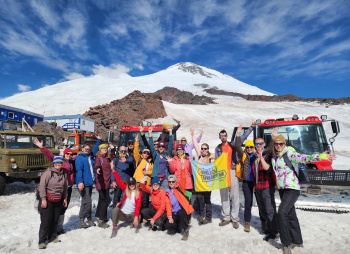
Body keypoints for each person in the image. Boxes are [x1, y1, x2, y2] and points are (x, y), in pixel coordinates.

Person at [272, 135, 336, 254]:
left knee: (281, 213)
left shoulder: (289, 153)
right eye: (276, 144)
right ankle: (297, 240)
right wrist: (274, 137)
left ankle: (286, 244)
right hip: (282, 189)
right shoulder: (276, 156)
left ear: (285, 144)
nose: (278, 146)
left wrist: (321, 156)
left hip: (292, 188)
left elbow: (304, 158)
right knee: (291, 215)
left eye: (281, 144)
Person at [214, 121, 256, 228]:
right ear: (219, 137)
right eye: (221, 136)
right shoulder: (218, 148)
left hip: (232, 171)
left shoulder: (232, 145)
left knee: (234, 195)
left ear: (227, 136)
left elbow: (242, 138)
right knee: (224, 196)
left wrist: (251, 128)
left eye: (224, 135)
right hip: (222, 173)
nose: (223, 137)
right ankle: (226, 217)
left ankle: (235, 218)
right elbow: (216, 161)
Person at [34, 138, 75, 235]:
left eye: (71, 154)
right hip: (58, 189)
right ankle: (53, 229)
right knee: (57, 209)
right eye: (67, 153)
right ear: (64, 154)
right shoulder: (60, 162)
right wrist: (42, 147)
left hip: (67, 188)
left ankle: (59, 227)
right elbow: (50, 155)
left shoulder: (71, 162)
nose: (69, 155)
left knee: (63, 209)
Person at [38, 155, 68, 249]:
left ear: (62, 163)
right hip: (47, 199)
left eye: (60, 162)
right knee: (46, 221)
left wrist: (65, 198)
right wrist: (43, 199)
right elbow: (41, 187)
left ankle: (52, 237)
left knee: (55, 219)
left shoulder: (64, 174)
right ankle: (42, 241)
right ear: (53, 163)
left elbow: (65, 188)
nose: (58, 164)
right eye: (56, 162)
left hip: (58, 199)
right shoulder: (48, 174)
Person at [253, 137, 278, 241]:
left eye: (260, 143)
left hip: (267, 186)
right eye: (257, 143)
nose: (258, 145)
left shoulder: (268, 155)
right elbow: (255, 173)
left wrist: (261, 157)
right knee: (262, 209)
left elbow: (267, 169)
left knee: (270, 209)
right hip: (258, 186)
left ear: (264, 144)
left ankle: (275, 232)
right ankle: (269, 228)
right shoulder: (255, 157)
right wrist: (255, 184)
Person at [74, 134, 102, 229]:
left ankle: (85, 219)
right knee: (87, 202)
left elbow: (95, 150)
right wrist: (80, 182)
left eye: (88, 149)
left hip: (89, 183)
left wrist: (98, 140)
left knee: (85, 202)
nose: (87, 151)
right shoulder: (80, 158)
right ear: (82, 149)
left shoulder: (90, 156)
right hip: (83, 183)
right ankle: (84, 219)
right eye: (86, 149)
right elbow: (79, 170)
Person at [164, 161, 195, 240]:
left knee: (180, 212)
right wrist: (170, 217)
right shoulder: (167, 192)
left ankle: (185, 230)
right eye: (170, 181)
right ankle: (179, 225)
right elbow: (168, 206)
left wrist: (182, 166)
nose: (171, 183)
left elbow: (183, 177)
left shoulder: (179, 187)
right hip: (174, 212)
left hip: (182, 211)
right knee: (169, 226)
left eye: (173, 181)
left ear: (175, 182)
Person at [191, 128, 215, 224]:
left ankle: (208, 217)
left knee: (207, 199)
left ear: (208, 149)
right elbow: (196, 145)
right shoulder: (199, 155)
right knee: (200, 198)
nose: (203, 150)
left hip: (208, 182)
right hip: (200, 182)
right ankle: (201, 214)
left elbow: (212, 169)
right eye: (202, 148)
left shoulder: (211, 157)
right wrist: (193, 135)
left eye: (205, 149)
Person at [110, 170, 142, 238]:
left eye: (133, 183)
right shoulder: (125, 190)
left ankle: (132, 222)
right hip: (123, 215)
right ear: (128, 185)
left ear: (135, 184)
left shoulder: (139, 193)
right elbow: (119, 180)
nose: (131, 185)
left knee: (138, 216)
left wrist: (135, 218)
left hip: (131, 215)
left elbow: (138, 206)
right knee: (115, 209)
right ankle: (115, 228)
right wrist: (113, 170)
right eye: (130, 184)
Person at [94, 143, 116, 228]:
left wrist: (113, 149)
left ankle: (99, 216)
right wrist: (98, 168)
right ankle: (101, 220)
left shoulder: (107, 158)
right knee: (105, 199)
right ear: (100, 149)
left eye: (106, 148)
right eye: (103, 148)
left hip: (107, 181)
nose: (105, 149)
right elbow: (97, 163)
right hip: (101, 182)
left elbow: (113, 159)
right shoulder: (98, 157)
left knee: (102, 199)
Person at [133, 135, 153, 210]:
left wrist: (148, 172)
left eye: (147, 153)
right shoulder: (139, 159)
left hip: (146, 183)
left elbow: (154, 171)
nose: (146, 154)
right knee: (138, 199)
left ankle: (145, 215)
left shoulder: (151, 161)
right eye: (144, 152)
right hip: (138, 182)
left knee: (145, 200)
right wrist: (136, 142)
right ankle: (138, 215)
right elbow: (135, 152)